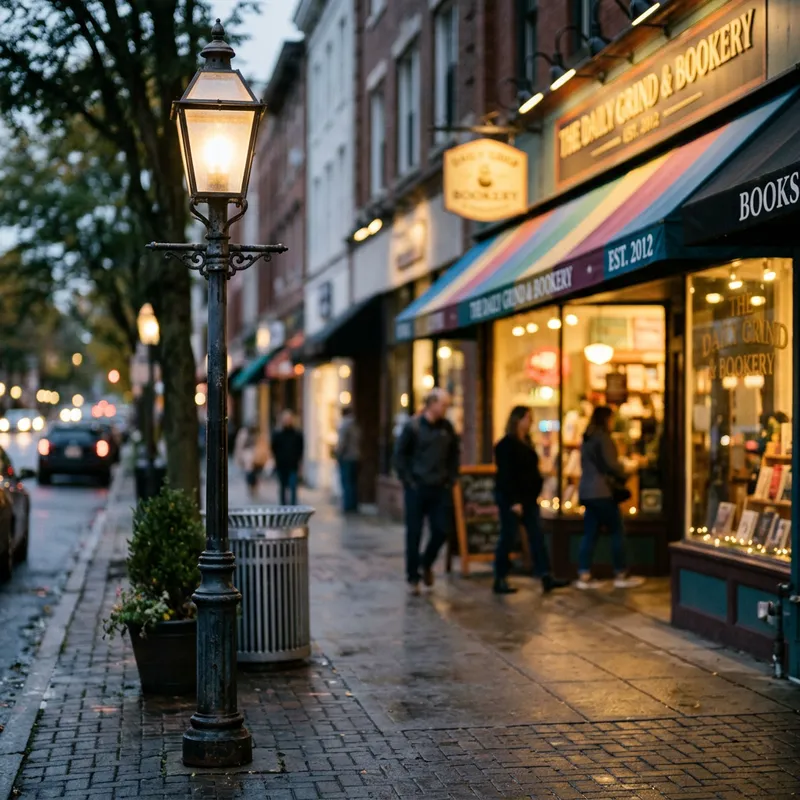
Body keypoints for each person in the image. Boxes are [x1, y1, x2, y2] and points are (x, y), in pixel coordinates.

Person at [494, 406, 569, 595]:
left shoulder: (526, 442)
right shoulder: (506, 445)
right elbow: (506, 476)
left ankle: (545, 575)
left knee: (537, 537)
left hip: (528, 498)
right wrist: (514, 501)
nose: (530, 422)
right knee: (508, 537)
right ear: (517, 420)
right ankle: (500, 577)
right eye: (527, 418)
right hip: (514, 500)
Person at [393, 388, 459, 596]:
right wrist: (408, 481)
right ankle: (413, 576)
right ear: (431, 404)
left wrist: (451, 478)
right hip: (417, 488)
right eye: (443, 405)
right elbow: (399, 455)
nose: (445, 409)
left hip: (439, 488)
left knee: (442, 530)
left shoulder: (447, 428)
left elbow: (454, 454)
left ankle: (426, 562)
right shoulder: (413, 427)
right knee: (414, 532)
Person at [577, 406, 645, 590]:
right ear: (606, 419)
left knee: (590, 533)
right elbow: (612, 465)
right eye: (611, 419)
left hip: (587, 491)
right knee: (617, 530)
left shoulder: (587, 438)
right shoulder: (603, 438)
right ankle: (620, 572)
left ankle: (584, 573)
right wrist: (630, 468)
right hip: (602, 491)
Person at [271, 410, 304, 505]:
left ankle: (293, 506)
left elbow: (300, 448)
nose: (287, 421)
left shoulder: (297, 434)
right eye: (285, 419)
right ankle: (283, 506)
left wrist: (298, 461)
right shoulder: (277, 434)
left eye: (289, 419)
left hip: (293, 465)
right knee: (282, 487)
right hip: (281, 465)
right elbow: (274, 448)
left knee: (293, 486)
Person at [335, 406, 361, 513]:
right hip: (356, 457)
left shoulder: (344, 425)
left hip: (346, 457)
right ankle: (354, 505)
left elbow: (342, 443)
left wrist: (338, 453)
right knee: (353, 482)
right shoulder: (355, 425)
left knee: (346, 482)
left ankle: (348, 506)